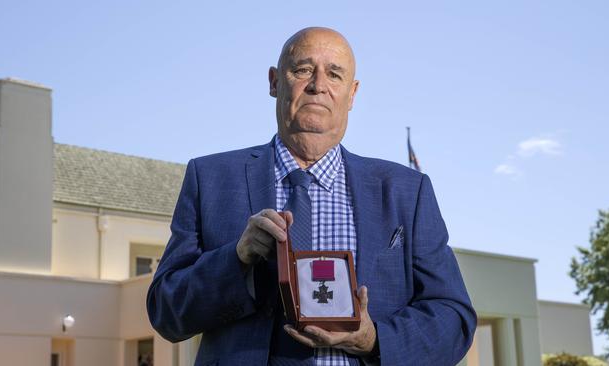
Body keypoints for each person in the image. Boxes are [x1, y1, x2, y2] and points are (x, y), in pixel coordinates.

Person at [147, 27, 476, 365]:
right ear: (275, 82)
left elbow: (453, 318)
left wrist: (373, 338)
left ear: (352, 94)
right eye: (303, 70)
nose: (318, 85)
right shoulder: (211, 179)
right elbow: (165, 311)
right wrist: (236, 259)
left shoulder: (407, 191)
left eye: (334, 74)